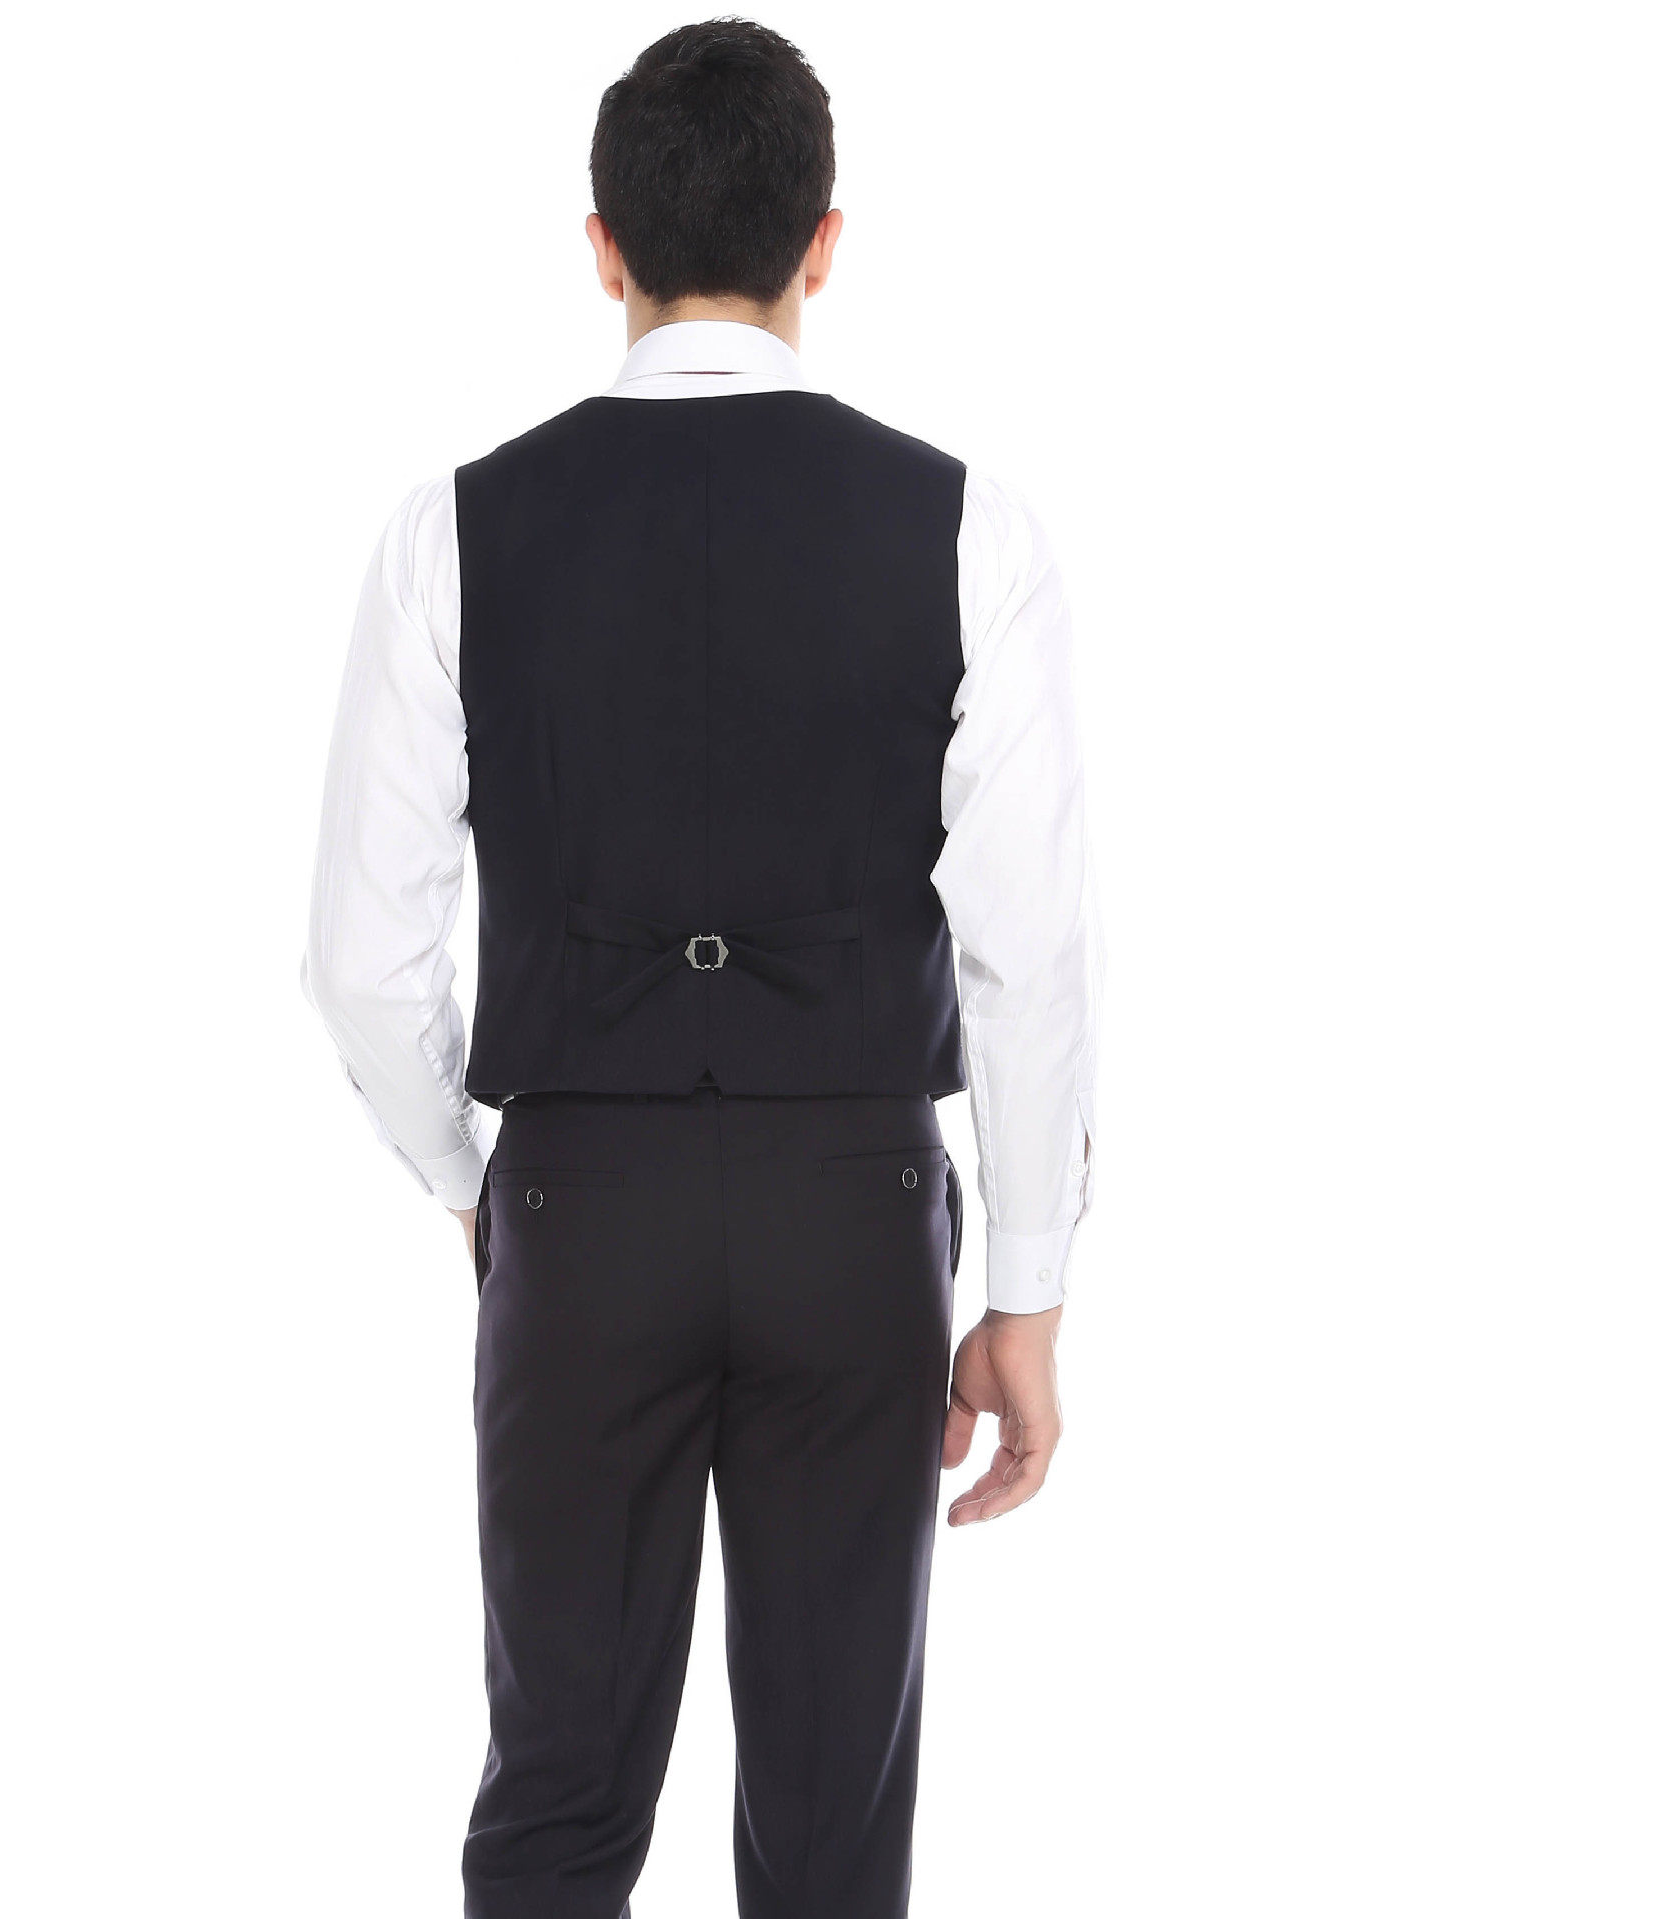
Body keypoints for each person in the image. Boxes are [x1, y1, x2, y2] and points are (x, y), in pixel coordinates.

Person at [305, 20, 1100, 1917]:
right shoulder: (969, 527)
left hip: (582, 1200)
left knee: (560, 1796)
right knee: (833, 1830)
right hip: (854, 1210)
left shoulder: (454, 530)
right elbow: (1032, 956)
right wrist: (1029, 1291)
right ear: (827, 242)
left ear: (603, 249)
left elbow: (360, 960)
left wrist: (476, 1183)